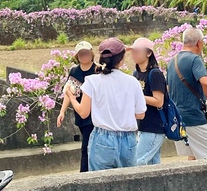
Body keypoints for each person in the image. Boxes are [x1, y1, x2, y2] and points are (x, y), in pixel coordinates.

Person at [69, 38, 146, 171]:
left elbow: (83, 112)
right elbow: (140, 114)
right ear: (121, 61)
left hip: (102, 138)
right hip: (128, 139)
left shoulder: (92, 81)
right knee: (128, 183)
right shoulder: (132, 82)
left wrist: (71, 97)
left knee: (100, 184)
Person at [166, 28, 207, 160]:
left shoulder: (172, 62)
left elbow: (168, 88)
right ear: (199, 43)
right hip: (194, 116)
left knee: (193, 156)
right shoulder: (194, 59)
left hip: (177, 118)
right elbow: (206, 82)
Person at [57, 41, 96, 172]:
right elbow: (69, 92)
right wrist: (62, 112)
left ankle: (84, 172)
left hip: (95, 115)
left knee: (86, 147)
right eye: (81, 54)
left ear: (91, 54)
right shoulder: (74, 71)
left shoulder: (97, 70)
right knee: (87, 144)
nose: (84, 56)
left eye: (86, 53)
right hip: (80, 113)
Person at [130, 37, 167, 166]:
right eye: (133, 51)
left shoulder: (155, 73)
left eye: (138, 51)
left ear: (149, 53)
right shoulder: (136, 74)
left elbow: (158, 101)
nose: (134, 54)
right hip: (142, 126)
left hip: (154, 127)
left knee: (137, 162)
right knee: (153, 165)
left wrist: (136, 95)